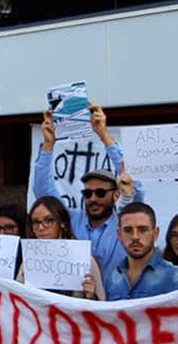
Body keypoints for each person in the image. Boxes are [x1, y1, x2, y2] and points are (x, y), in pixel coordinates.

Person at [33, 104, 139, 275]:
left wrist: (104, 135)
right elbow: (43, 192)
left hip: (117, 300)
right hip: (77, 300)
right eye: (87, 193)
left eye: (101, 192)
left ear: (117, 194)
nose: (93, 198)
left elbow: (132, 180)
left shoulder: (126, 224)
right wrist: (48, 144)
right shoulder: (71, 220)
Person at [103, 203, 178, 301]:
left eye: (142, 230)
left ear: (155, 233)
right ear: (119, 234)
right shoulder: (113, 277)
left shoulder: (176, 278)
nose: (135, 236)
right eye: (128, 230)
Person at [22, 196, 103, 299]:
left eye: (49, 220)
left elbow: (102, 308)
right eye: (36, 222)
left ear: (62, 223)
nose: (41, 227)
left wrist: (91, 295)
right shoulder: (28, 261)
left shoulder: (85, 261)